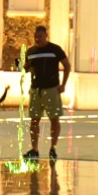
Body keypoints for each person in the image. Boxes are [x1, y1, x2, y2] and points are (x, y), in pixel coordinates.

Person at [24, 25, 71, 160]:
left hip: (51, 89)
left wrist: (63, 85)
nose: (37, 39)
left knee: (54, 119)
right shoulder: (30, 52)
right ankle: (34, 149)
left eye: (40, 36)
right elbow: (26, 68)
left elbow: (67, 65)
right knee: (34, 120)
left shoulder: (55, 49)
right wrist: (24, 65)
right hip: (36, 90)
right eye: (36, 37)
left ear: (46, 36)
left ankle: (52, 147)